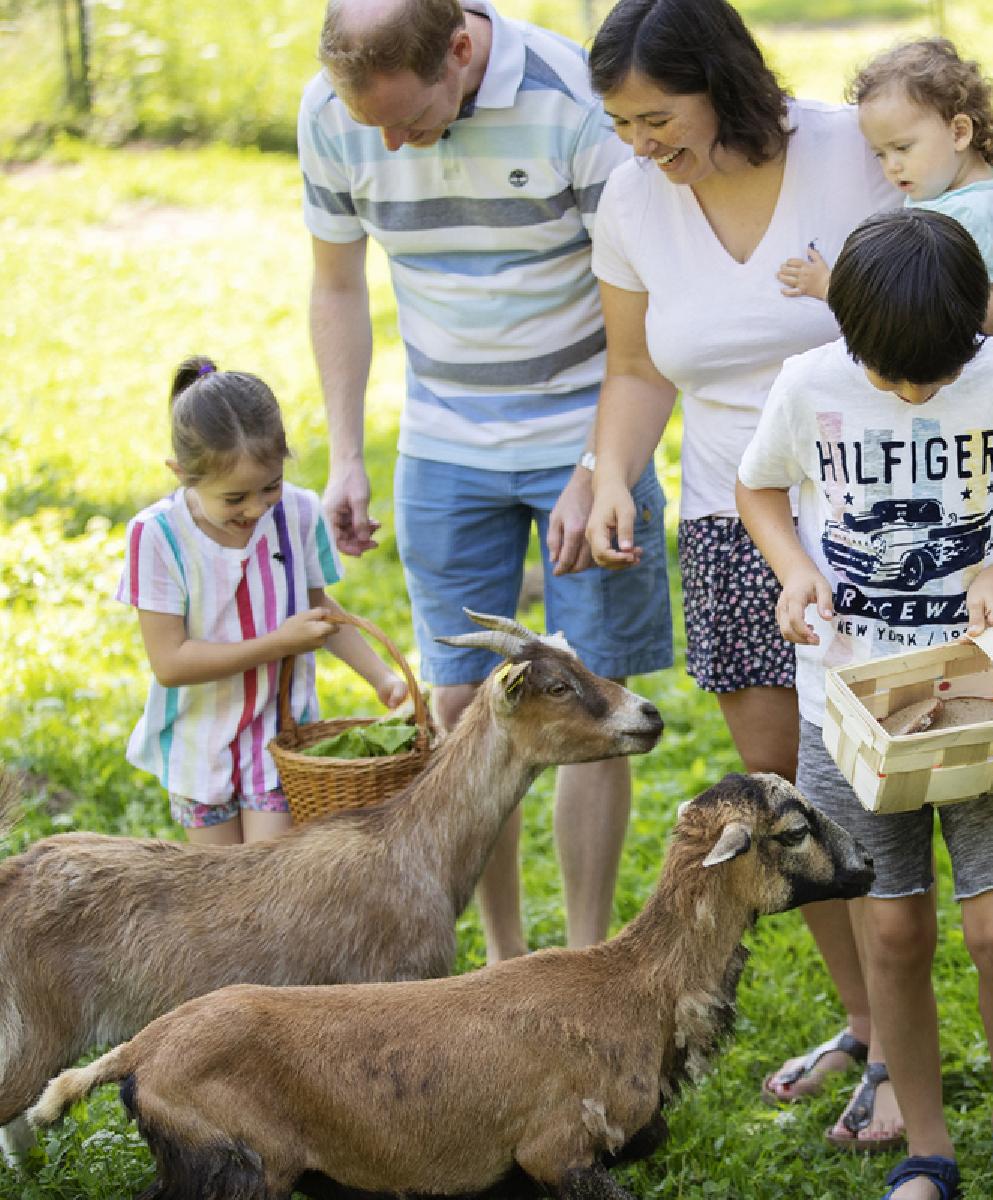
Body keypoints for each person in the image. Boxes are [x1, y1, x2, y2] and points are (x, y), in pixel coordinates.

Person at [583, 0, 993, 1138]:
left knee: (899, 770)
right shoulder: (632, 197)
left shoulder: (855, 150)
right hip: (742, 514)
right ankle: (872, 1034)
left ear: (719, 83)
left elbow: (969, 282)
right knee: (792, 796)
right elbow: (637, 368)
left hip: (888, 512)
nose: (640, 143)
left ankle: (919, 1025)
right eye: (620, 123)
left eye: (655, 117)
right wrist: (604, 472)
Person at [299, 0, 674, 963]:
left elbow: (640, 304)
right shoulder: (333, 112)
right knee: (467, 715)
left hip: (582, 431)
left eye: (406, 117)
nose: (387, 142)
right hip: (442, 440)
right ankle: (507, 965)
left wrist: (601, 465)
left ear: (460, 50)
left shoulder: (574, 100)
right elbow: (338, 285)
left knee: (595, 702)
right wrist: (348, 452)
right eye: (369, 121)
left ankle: (582, 961)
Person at [738, 209, 993, 1200]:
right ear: (849, 333)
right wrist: (796, 571)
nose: (914, 394)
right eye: (894, 379)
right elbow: (760, 489)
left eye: (934, 377)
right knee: (891, 930)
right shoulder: (810, 384)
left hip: (978, 698)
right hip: (849, 706)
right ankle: (925, 1144)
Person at [116, 357, 409, 846]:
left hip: (278, 738)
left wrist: (383, 679)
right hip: (199, 745)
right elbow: (170, 662)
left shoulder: (297, 512)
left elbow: (322, 611)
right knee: (222, 892)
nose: (255, 509)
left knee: (269, 887)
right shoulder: (157, 536)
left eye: (269, 486)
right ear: (182, 473)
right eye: (234, 499)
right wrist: (277, 644)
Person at [777, 38, 993, 333]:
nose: (891, 166)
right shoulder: (964, 189)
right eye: (880, 153)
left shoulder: (960, 219)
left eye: (903, 147)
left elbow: (908, 312)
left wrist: (828, 286)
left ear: (959, 132)